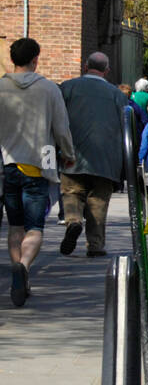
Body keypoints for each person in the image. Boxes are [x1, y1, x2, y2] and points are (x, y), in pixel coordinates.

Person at [0, 38, 76, 306]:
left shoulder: (1, 88)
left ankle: (16, 270)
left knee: (15, 226)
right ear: (36, 59)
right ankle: (24, 266)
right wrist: (68, 154)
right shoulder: (47, 89)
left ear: (12, 59)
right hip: (38, 165)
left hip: (7, 163)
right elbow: (61, 127)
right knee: (35, 227)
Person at [59, 52, 130, 258]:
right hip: (106, 159)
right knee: (98, 201)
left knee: (72, 192)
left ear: (85, 66)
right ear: (106, 71)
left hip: (73, 153)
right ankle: (95, 245)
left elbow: (57, 119)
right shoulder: (117, 95)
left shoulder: (68, 88)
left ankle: (73, 221)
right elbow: (126, 128)